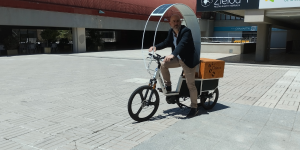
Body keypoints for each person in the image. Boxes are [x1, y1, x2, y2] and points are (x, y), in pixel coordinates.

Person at [148, 14, 200, 118]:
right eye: (174, 21)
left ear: (180, 22)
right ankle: (168, 86)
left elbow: (182, 44)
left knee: (191, 85)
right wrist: (156, 47)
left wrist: (173, 54)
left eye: (178, 21)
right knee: (163, 64)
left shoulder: (186, 31)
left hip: (187, 60)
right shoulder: (171, 32)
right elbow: (167, 42)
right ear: (170, 23)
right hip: (178, 58)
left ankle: (194, 107)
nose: (176, 23)